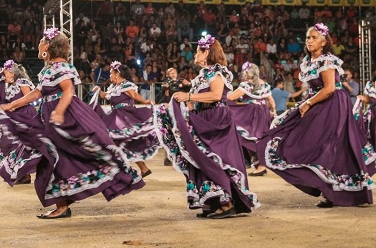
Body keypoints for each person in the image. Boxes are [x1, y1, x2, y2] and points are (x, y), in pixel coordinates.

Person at [0, 27, 144, 219]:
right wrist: (12, 105)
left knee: (62, 158)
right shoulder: (49, 69)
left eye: (42, 41)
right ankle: (63, 203)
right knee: (54, 160)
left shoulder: (62, 67)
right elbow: (38, 93)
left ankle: (65, 203)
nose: (39, 43)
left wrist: (58, 112)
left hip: (66, 115)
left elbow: (68, 91)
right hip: (49, 115)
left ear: (48, 46)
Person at [257, 24, 376, 208]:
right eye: (307, 37)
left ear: (323, 42)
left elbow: (329, 89)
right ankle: (329, 190)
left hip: (333, 104)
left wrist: (308, 103)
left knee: (329, 146)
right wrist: (305, 102)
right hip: (320, 102)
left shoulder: (327, 60)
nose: (309, 40)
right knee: (313, 143)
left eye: (313, 37)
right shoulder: (309, 61)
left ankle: (336, 192)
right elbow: (315, 89)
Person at [155, 34, 259, 219]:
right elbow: (194, 101)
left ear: (207, 52)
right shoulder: (202, 75)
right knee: (200, 157)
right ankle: (214, 201)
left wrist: (188, 97)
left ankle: (227, 203)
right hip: (203, 117)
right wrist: (173, 109)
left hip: (216, 119)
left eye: (198, 50)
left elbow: (216, 95)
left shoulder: (217, 71)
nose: (195, 53)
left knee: (214, 159)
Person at [0, 60, 41, 185]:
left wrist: (13, 106)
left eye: (5, 72)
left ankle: (28, 173)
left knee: (23, 146)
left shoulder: (22, 82)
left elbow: (28, 98)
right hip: (14, 117)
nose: (2, 74)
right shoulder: (6, 85)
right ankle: (23, 175)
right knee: (8, 144)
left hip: (25, 116)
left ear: (12, 73)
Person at [91, 61, 160, 178]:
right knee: (121, 144)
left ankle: (119, 170)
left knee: (117, 142)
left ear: (117, 74)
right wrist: (98, 90)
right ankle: (143, 168)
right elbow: (104, 96)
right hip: (116, 115)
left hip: (124, 116)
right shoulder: (114, 87)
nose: (110, 76)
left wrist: (144, 101)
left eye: (111, 73)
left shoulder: (126, 85)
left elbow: (133, 95)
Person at [227, 62, 276, 176]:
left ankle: (259, 164)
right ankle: (260, 165)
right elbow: (271, 101)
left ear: (246, 73)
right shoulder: (264, 84)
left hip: (251, 112)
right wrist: (273, 112)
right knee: (257, 137)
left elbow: (230, 97)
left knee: (242, 135)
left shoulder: (246, 85)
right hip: (263, 112)